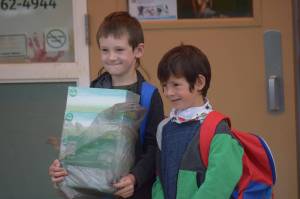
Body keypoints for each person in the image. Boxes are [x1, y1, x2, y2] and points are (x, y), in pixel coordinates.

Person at [48, 11, 164, 199]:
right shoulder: (92, 91)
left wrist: (135, 178)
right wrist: (62, 167)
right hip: (95, 192)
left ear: (138, 50)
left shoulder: (150, 95)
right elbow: (80, 142)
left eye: (119, 49)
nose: (111, 57)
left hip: (135, 192)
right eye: (104, 50)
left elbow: (154, 148)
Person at [152, 44, 244, 199]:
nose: (168, 93)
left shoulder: (217, 129)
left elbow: (219, 184)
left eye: (175, 85)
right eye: (164, 86)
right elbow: (159, 179)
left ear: (199, 83)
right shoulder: (164, 128)